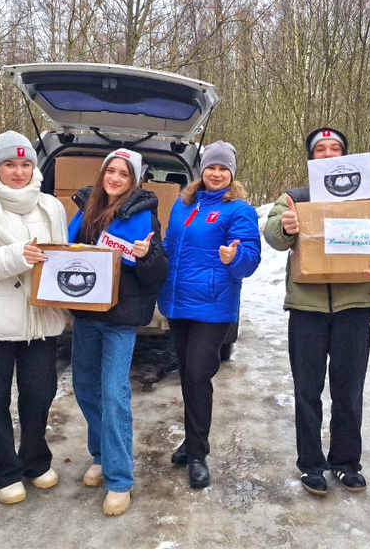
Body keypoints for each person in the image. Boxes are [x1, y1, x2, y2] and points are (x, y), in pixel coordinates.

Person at [263, 127, 370, 496]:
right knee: (307, 390)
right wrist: (286, 226)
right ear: (312, 159)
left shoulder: (369, 200)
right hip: (306, 309)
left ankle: (346, 462)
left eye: (335, 149)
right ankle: (311, 464)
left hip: (355, 308)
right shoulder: (294, 198)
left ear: (346, 157)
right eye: (320, 150)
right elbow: (274, 236)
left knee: (349, 390)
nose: (328, 154)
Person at [0, 131, 70, 505]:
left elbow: (63, 256)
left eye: (26, 164)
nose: (19, 171)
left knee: (39, 397)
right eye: (10, 164)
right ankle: (4, 472)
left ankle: (35, 462)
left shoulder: (50, 206)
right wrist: (19, 255)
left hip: (42, 320)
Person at [67, 148, 168, 516]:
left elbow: (157, 273)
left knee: (113, 393)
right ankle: (101, 454)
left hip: (119, 319)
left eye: (123, 174)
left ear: (134, 180)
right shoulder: (86, 207)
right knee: (86, 387)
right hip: (86, 314)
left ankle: (120, 479)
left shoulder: (144, 216)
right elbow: (67, 247)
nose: (115, 178)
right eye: (111, 171)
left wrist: (146, 255)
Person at [158, 141, 262, 489]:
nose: (216, 173)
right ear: (201, 170)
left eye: (223, 168)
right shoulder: (183, 204)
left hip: (213, 306)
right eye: (211, 167)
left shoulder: (239, 210)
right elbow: (171, 247)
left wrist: (236, 258)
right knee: (188, 374)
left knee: (199, 375)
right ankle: (191, 440)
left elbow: (250, 258)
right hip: (177, 303)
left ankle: (198, 453)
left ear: (231, 173)